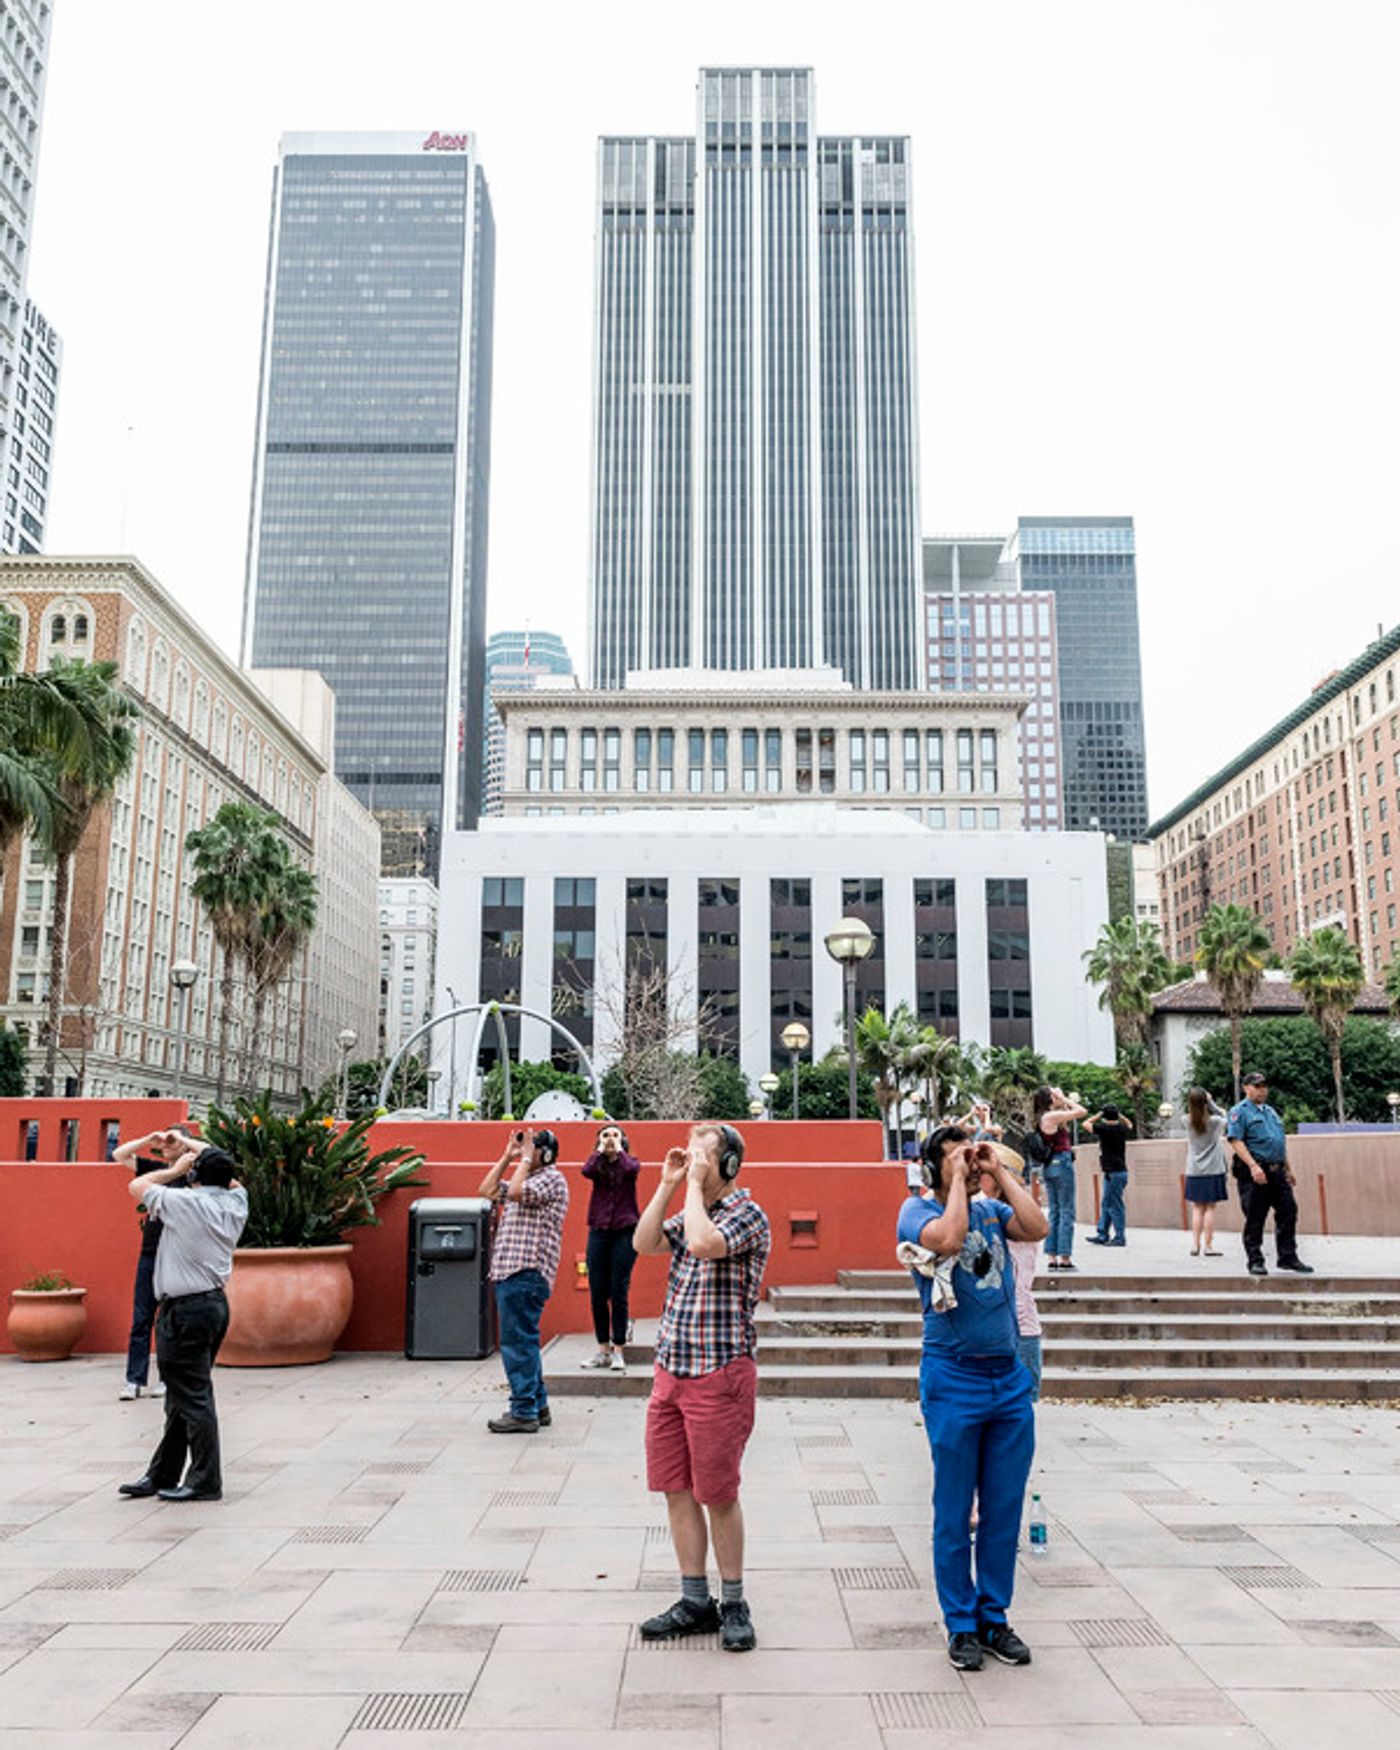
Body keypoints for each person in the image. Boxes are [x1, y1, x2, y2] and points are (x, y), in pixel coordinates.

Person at [899, 1127, 1047, 1671]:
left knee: (1004, 1507)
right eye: (954, 1154)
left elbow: (1037, 1226)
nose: (966, 1160)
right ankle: (960, 1623)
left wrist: (999, 1173)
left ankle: (994, 1616)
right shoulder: (915, 1212)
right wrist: (958, 1179)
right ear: (932, 1166)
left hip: (1007, 1376)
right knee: (955, 1509)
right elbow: (948, 1239)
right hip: (952, 1376)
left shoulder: (991, 1209)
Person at [633, 1123, 770, 1654]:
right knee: (676, 1488)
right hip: (671, 1371)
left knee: (719, 1493)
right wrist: (669, 1183)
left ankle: (733, 1601)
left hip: (720, 1374)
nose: (693, 1163)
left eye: (701, 1157)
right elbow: (644, 1243)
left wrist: (692, 1188)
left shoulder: (745, 1215)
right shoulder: (688, 1202)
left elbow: (701, 1243)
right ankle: (695, 1600)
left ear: (729, 1166)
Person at [117, 1143, 247, 1503]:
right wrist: (193, 1150)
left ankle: (206, 1480)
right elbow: (230, 1179)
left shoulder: (186, 1203)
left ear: (193, 1175)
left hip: (185, 1311)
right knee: (181, 1394)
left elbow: (137, 1186)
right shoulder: (236, 1202)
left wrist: (175, 1171)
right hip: (213, 1306)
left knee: (193, 1396)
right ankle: (162, 1474)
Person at [479, 1128, 569, 1432]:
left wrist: (527, 1159)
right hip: (511, 1270)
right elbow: (487, 1189)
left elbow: (515, 1193)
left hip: (526, 1271)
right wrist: (508, 1155)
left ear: (547, 1153)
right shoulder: (527, 1177)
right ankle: (537, 1405)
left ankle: (523, 1411)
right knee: (524, 1341)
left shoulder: (551, 1179)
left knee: (518, 1343)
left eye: (533, 1149)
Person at [113, 1122, 195, 1400]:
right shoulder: (155, 1171)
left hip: (178, 1253)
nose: (170, 1145)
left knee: (170, 1320)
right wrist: (149, 1138)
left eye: (176, 1141)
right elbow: (120, 1155)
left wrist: (186, 1145)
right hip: (151, 1252)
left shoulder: (196, 1173)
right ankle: (134, 1380)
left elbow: (215, 1155)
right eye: (168, 1141)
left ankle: (167, 1378)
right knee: (141, 1318)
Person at [1227, 1073, 1314, 1278]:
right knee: (1255, 1218)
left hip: (1277, 1171)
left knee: (1288, 1211)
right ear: (1246, 1088)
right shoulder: (1239, 1112)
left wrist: (1288, 1169)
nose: (1262, 1090)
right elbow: (1236, 1141)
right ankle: (1255, 1260)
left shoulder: (1271, 1112)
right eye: (1257, 1086)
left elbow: (1278, 1142)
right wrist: (1253, 1166)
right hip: (1256, 1173)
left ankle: (1287, 1257)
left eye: (1265, 1086)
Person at [580, 1122, 641, 1373]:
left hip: (625, 1232)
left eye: (615, 1134)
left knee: (619, 1290)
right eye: (606, 1134)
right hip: (599, 1232)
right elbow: (586, 1170)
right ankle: (602, 1349)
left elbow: (630, 1169)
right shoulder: (597, 1165)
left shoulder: (631, 1163)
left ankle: (618, 1349)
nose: (610, 1138)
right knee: (597, 1292)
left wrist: (618, 1150)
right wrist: (600, 1151)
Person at [1028, 1086, 1087, 1271]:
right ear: (1048, 1099)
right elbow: (1082, 1111)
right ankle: (1065, 1259)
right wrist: (1064, 1097)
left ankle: (1052, 1257)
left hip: (1049, 1167)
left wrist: (1061, 1101)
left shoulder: (1044, 1118)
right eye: (1053, 1095)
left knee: (1055, 1212)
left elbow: (1070, 1115)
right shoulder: (1050, 1117)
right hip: (1061, 1164)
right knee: (1067, 1211)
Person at [1184, 1087, 1229, 1257]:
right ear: (1205, 1103)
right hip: (1213, 1169)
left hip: (1194, 1170)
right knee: (1210, 1208)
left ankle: (1195, 1246)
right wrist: (1211, 1103)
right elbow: (1228, 1117)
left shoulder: (1185, 1121)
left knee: (1197, 1208)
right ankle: (1208, 1247)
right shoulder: (1215, 1121)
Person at [1083, 1103, 1134, 1247]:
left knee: (1115, 1205)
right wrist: (1120, 1115)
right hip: (1118, 1172)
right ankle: (1102, 1234)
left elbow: (1086, 1123)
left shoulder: (1105, 1129)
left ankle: (1120, 1237)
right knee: (1107, 1203)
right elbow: (1129, 1124)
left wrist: (1099, 1115)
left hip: (1114, 1173)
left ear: (1105, 1117)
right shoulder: (1121, 1129)